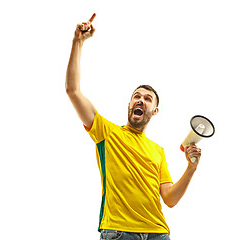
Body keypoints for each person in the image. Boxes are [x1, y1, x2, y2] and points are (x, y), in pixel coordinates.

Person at [65, 15, 202, 240]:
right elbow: (73, 91)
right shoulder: (105, 132)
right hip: (119, 232)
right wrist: (77, 42)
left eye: (148, 99)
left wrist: (191, 168)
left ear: (155, 111)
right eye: (136, 96)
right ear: (129, 104)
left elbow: (169, 199)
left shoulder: (157, 151)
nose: (141, 100)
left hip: (158, 234)